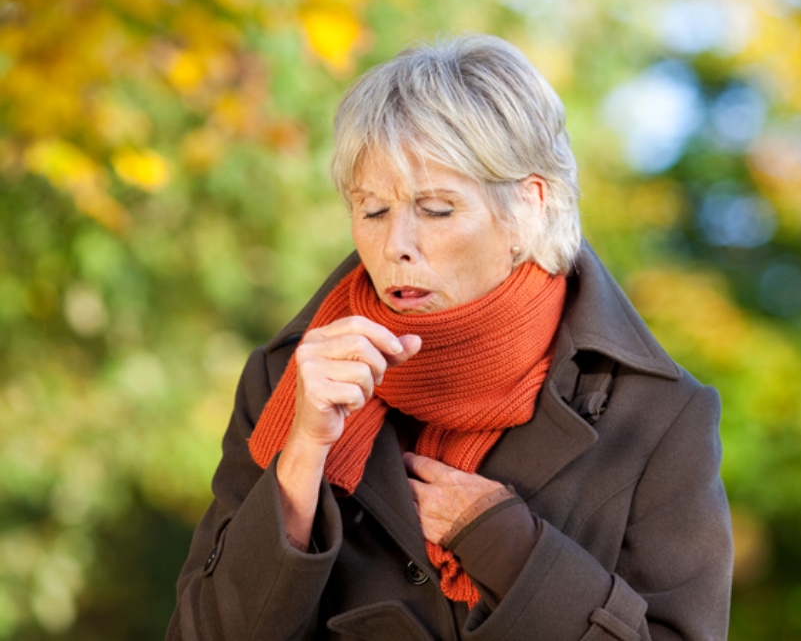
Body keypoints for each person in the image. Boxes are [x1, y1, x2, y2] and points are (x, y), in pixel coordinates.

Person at [167, 34, 732, 641]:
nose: (394, 245)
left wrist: (507, 546)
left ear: (528, 207)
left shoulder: (658, 414)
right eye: (372, 210)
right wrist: (302, 453)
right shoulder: (291, 381)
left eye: (435, 209)